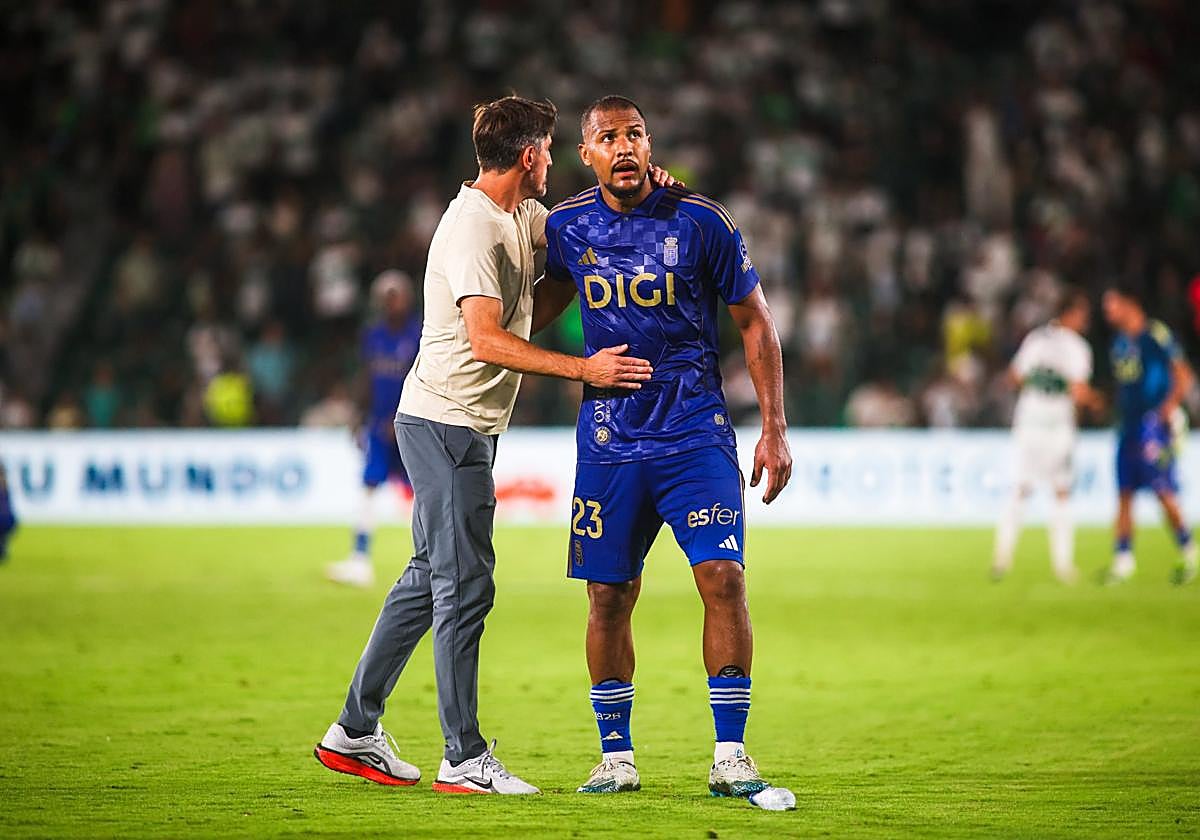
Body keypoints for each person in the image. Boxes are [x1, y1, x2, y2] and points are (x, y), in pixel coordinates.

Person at [314, 95, 674, 796]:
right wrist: (584, 369)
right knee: (465, 583)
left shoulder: (518, 214)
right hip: (446, 424)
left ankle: (355, 728)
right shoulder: (473, 228)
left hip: (459, 424)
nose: (555, 159)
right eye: (548, 147)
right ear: (529, 155)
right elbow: (486, 338)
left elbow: (554, 269)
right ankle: (464, 756)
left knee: (428, 578)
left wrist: (646, 191)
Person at [537, 96, 794, 807]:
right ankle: (615, 758)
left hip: (693, 434)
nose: (623, 147)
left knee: (724, 579)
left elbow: (755, 321)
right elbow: (533, 314)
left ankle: (731, 756)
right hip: (609, 442)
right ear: (585, 153)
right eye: (607, 137)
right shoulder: (564, 228)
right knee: (608, 595)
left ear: (651, 147)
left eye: (635, 135)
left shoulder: (702, 221)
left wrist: (773, 426)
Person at [992, 290, 1102, 584]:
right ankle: (1063, 566)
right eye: (1082, 314)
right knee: (1061, 492)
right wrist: (1097, 401)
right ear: (1070, 314)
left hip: (1028, 420)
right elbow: (1079, 391)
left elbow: (1013, 377)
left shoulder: (1036, 339)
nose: (1085, 320)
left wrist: (1038, 382)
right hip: (1057, 426)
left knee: (1020, 488)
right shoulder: (1078, 348)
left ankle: (1001, 559)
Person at [326, 270, 422, 588]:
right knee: (369, 485)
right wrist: (357, 416)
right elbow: (367, 376)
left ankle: (432, 558)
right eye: (386, 296)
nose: (391, 302)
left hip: (410, 425)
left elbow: (425, 379)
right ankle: (359, 559)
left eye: (396, 295)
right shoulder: (373, 335)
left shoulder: (422, 333)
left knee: (423, 491)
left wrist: (407, 416)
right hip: (379, 427)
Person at [1102, 285, 1197, 585]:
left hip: (1151, 425)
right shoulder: (1118, 343)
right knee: (1124, 493)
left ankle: (1189, 549)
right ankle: (1123, 560)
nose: (1108, 312)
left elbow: (1184, 374)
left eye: (1112, 304)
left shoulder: (1155, 335)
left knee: (1162, 490)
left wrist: (1168, 408)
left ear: (1131, 303)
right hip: (1127, 426)